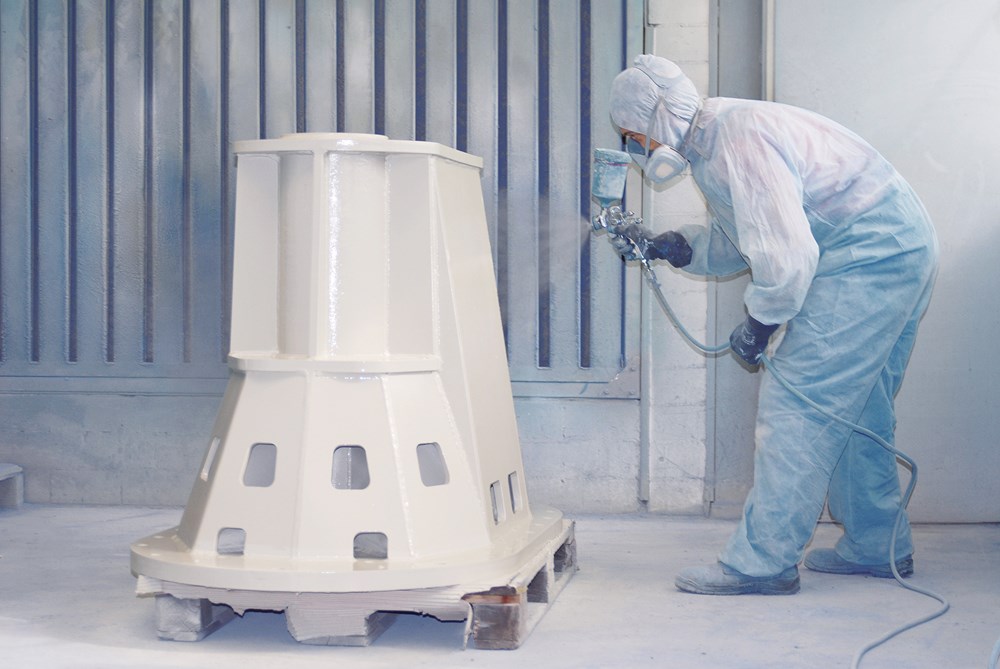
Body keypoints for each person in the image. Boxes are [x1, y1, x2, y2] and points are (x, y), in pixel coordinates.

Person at [607, 55, 938, 595]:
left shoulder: (736, 140)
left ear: (658, 116)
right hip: (898, 245)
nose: (637, 150)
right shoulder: (716, 139)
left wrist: (758, 325)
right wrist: (673, 246)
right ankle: (878, 544)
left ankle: (763, 563)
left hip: (868, 256)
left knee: (798, 406)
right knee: (858, 407)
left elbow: (787, 257)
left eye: (633, 136)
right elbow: (749, 235)